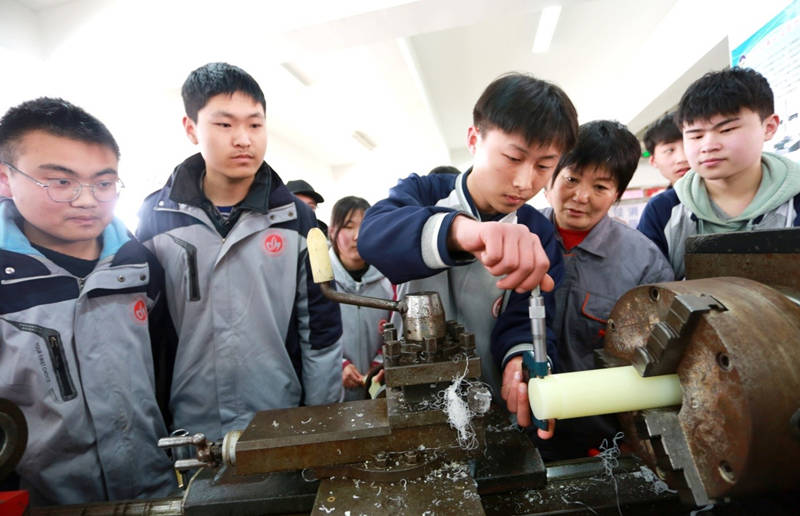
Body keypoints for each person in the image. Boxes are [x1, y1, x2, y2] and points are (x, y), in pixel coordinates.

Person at [358, 73, 578, 433]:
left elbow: (529, 318)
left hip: (490, 404)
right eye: (512, 157)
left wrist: (520, 363)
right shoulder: (425, 193)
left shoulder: (536, 232)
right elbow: (375, 237)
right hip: (411, 399)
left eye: (543, 166)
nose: (525, 182)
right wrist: (465, 233)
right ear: (475, 139)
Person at [136, 63, 343, 442]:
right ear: (190, 128)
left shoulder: (296, 220)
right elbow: (143, 337)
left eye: (255, 124)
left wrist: (322, 429)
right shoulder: (157, 219)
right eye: (225, 125)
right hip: (190, 429)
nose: (243, 139)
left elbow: (321, 331)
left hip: (278, 420)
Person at [0, 98, 176, 505]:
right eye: (61, 182)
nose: (86, 200)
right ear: (6, 179)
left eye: (103, 183)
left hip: (151, 490)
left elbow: (164, 370)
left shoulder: (140, 266)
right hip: (43, 503)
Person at [540, 120, 674, 459]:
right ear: (550, 178)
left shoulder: (644, 262)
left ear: (617, 194)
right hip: (522, 424)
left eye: (600, 187)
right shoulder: (517, 237)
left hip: (603, 438)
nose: (581, 197)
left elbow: (660, 360)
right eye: (571, 179)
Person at [638, 68, 800, 279]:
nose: (708, 146)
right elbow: (647, 297)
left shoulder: (795, 202)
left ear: (769, 127)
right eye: (695, 136)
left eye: (726, 130)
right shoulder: (664, 211)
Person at [328, 196, 394, 401]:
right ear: (332, 231)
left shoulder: (390, 279)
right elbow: (308, 335)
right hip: (331, 393)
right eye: (348, 226)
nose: (357, 236)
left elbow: (397, 331)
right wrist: (339, 366)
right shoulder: (319, 282)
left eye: (364, 226)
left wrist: (380, 366)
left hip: (377, 392)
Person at [643, 112, 690, 186]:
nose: (682, 159)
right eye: (669, 150)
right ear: (653, 161)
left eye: (688, 146)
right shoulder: (661, 198)